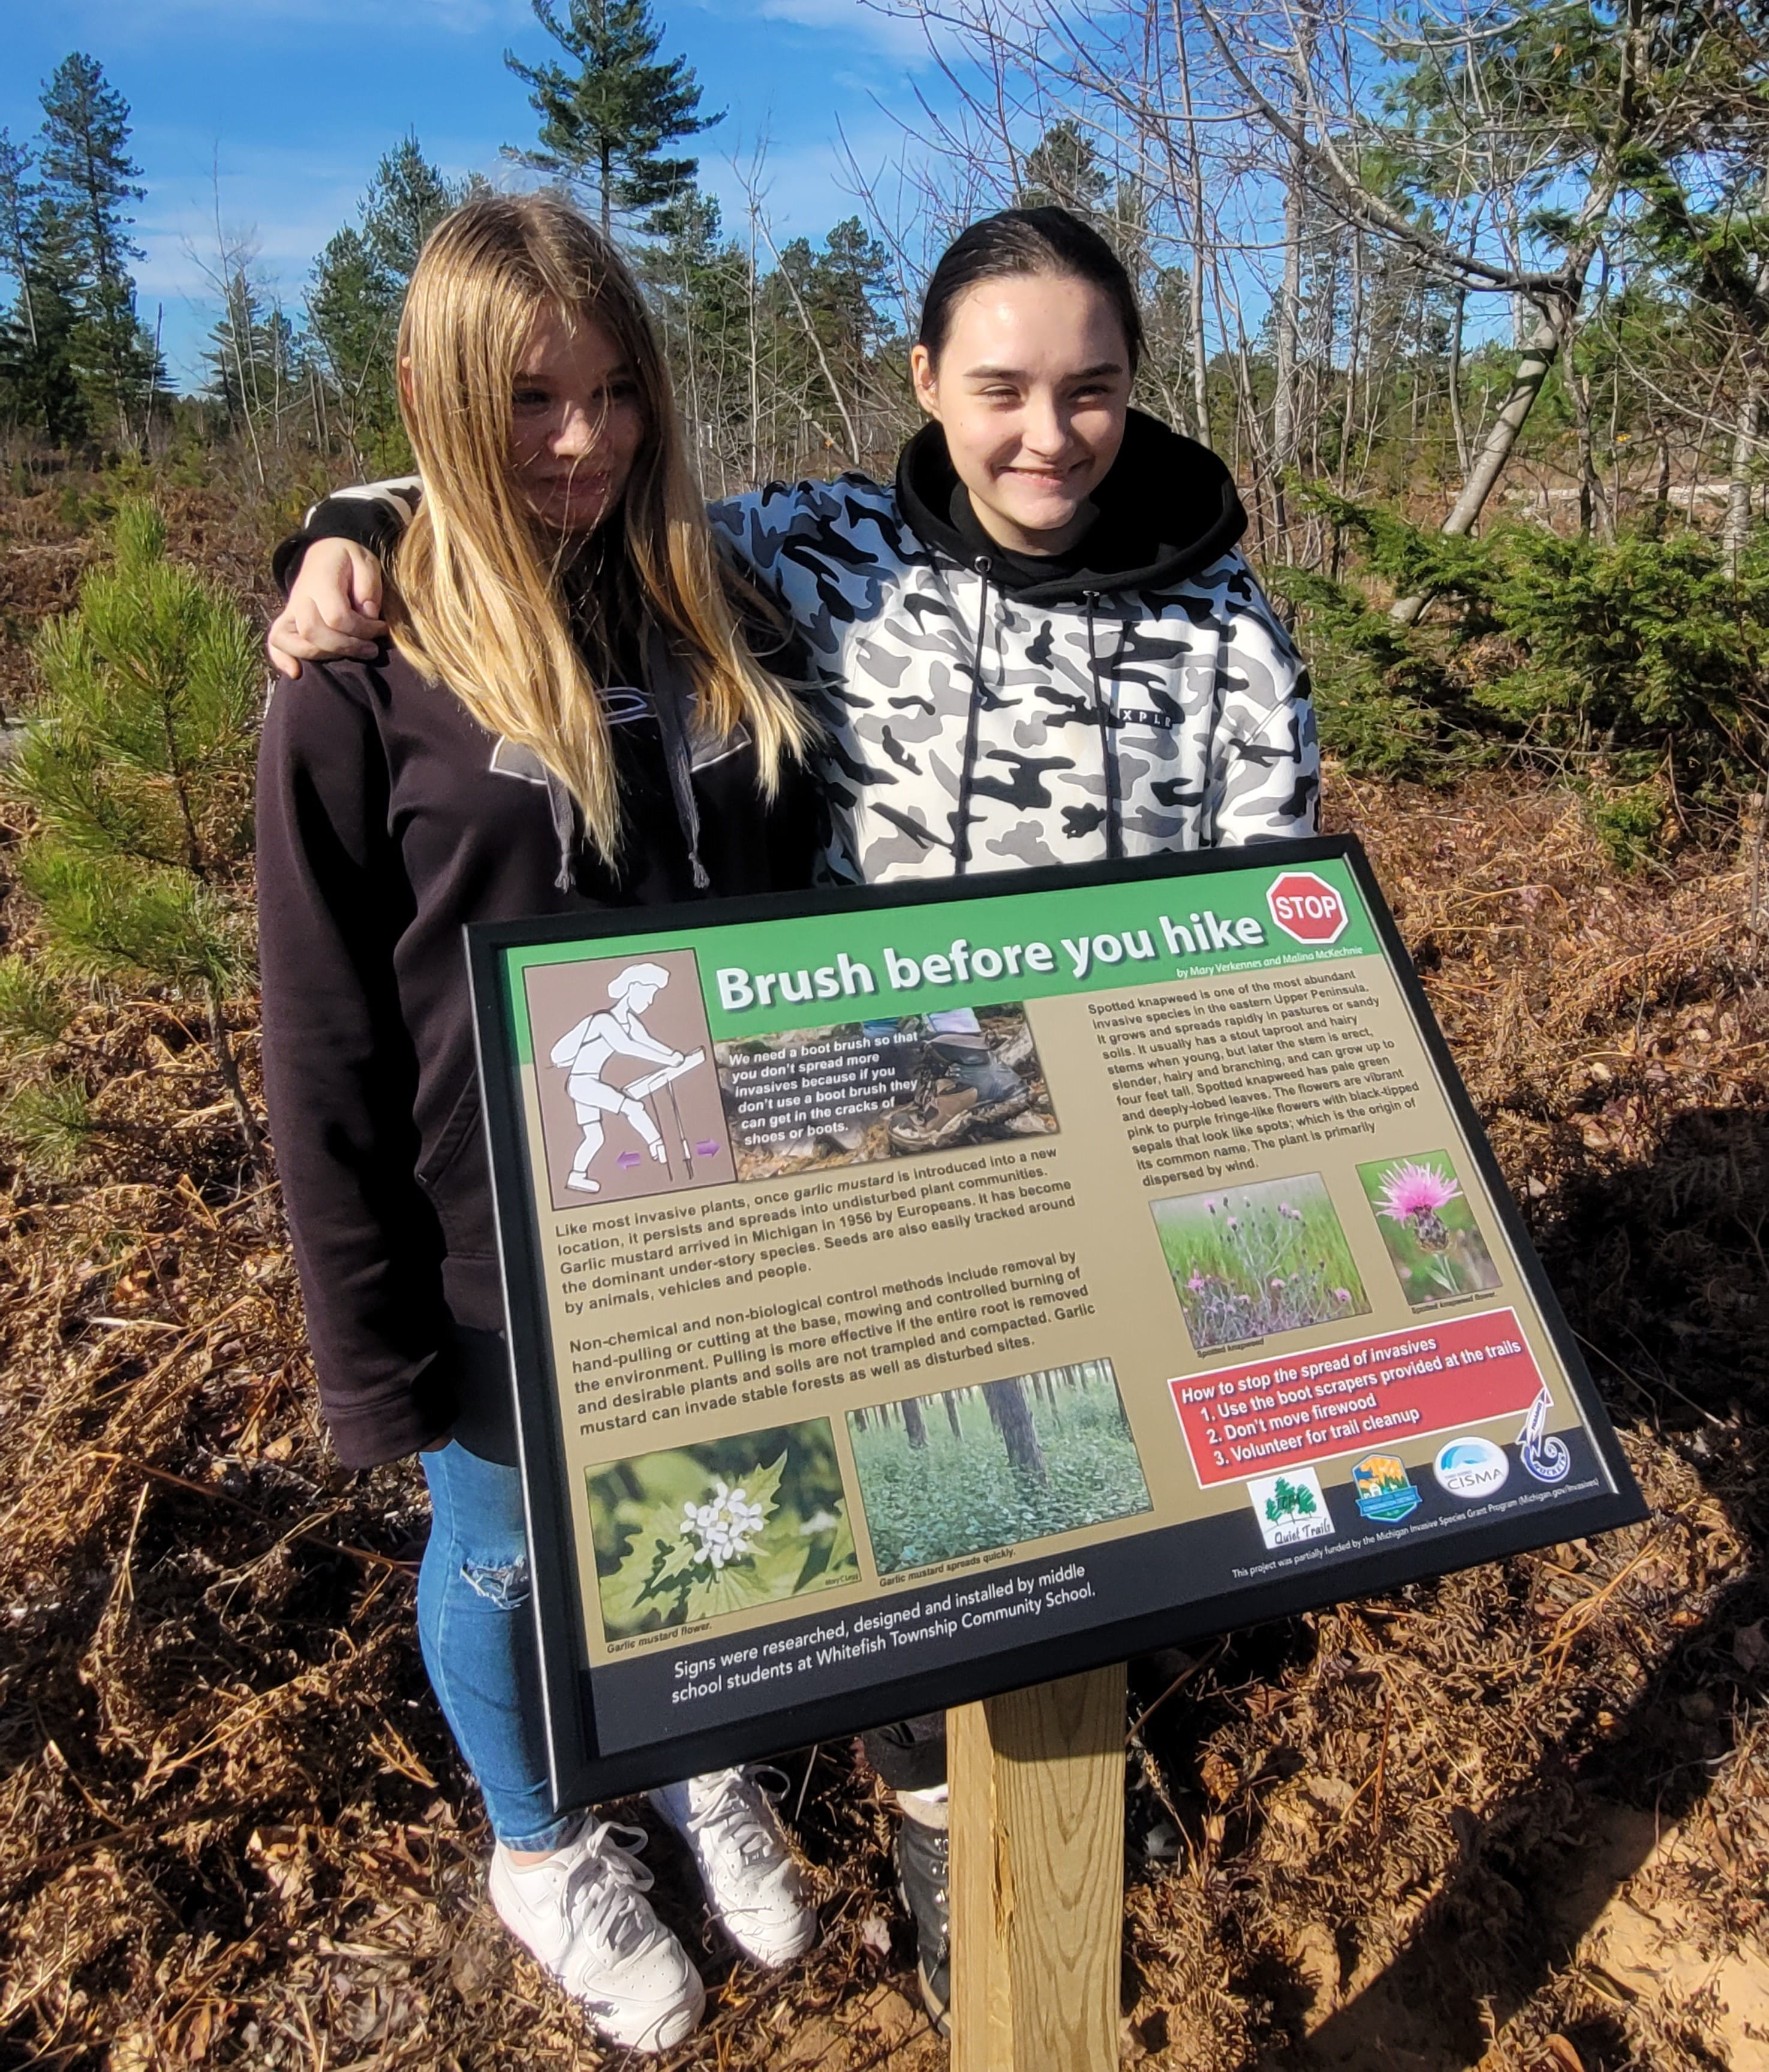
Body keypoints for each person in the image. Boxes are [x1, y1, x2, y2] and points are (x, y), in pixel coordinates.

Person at [269, 203, 1320, 2033]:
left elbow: (1277, 946)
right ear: (926, 383)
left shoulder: (1209, 633)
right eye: (999, 386)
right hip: (739, 1174)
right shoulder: (814, 550)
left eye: (1091, 389)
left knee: (963, 1483)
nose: (1045, 431)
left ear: (1139, 394)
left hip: (1022, 1163)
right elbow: (523, 483)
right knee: (645, 1526)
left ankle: (872, 1763)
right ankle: (692, 1818)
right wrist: (347, 528)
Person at [255, 192, 828, 2055]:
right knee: (504, 1557)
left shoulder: (714, 607)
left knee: (711, 1503)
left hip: (716, 1202)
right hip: (488, 1241)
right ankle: (539, 1837)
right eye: (528, 399)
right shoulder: (360, 675)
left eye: (613, 392)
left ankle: (689, 1754)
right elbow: (323, 1039)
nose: (582, 440)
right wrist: (369, 1348)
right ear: (439, 402)